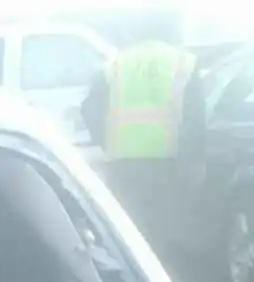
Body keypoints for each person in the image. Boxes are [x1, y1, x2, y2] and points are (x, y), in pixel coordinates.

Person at [80, 37, 206, 253]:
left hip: (123, 164)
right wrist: (194, 161)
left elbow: (89, 109)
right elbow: (195, 119)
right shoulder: (184, 63)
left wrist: (106, 141)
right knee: (162, 235)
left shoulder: (116, 65)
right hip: (167, 164)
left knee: (127, 235)